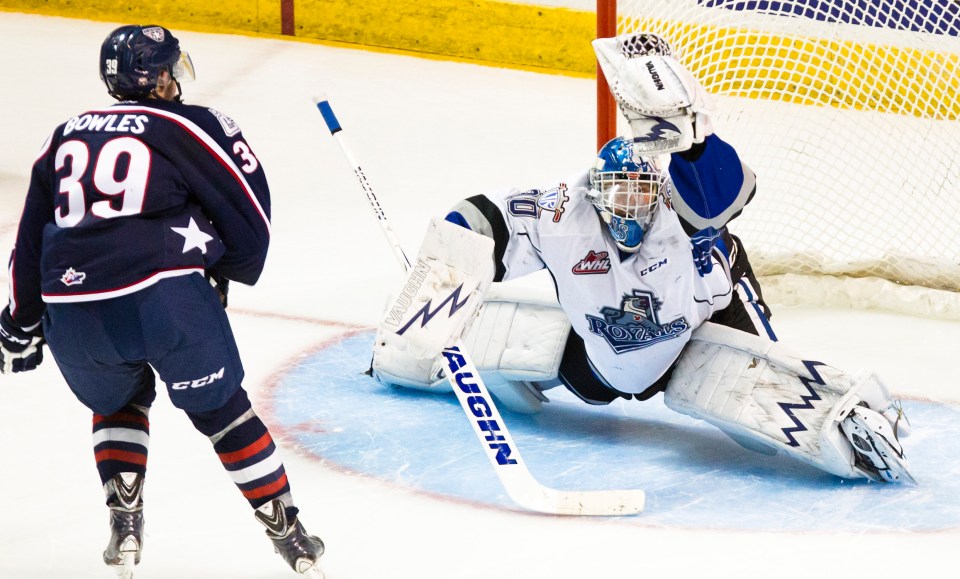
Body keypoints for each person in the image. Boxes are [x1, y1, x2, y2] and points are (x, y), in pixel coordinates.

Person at [368, 33, 915, 486]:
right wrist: (449, 254)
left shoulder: (681, 206)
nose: (631, 207)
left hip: (706, 317)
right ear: (596, 191)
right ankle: (433, 362)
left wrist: (688, 136)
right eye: (618, 196)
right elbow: (488, 216)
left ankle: (853, 423)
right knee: (585, 378)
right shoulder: (564, 211)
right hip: (609, 353)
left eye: (641, 195)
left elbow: (725, 190)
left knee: (759, 412)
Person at [0, 25, 324, 578]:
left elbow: (30, 238)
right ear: (157, 78)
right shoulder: (186, 124)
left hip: (72, 311)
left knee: (118, 401)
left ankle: (125, 525)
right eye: (172, 68)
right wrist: (228, 270)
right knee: (222, 411)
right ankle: (289, 536)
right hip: (164, 302)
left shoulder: (63, 135)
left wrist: (20, 321)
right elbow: (248, 210)